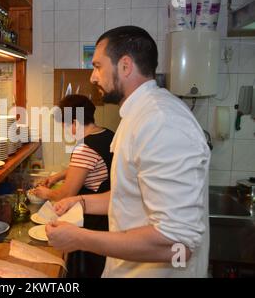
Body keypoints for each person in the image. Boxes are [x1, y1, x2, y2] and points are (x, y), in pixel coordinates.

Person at [46, 26, 210, 278]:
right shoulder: (138, 117)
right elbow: (131, 196)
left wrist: (80, 239)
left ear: (125, 66)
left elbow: (177, 244)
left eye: (98, 66)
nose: (92, 77)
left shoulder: (161, 121)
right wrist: (80, 201)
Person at [33, 94, 114, 278]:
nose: (66, 131)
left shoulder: (84, 148)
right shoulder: (107, 134)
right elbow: (89, 168)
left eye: (65, 126)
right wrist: (58, 175)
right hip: (110, 216)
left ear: (75, 122)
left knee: (92, 272)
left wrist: (45, 193)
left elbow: (66, 194)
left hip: (94, 222)